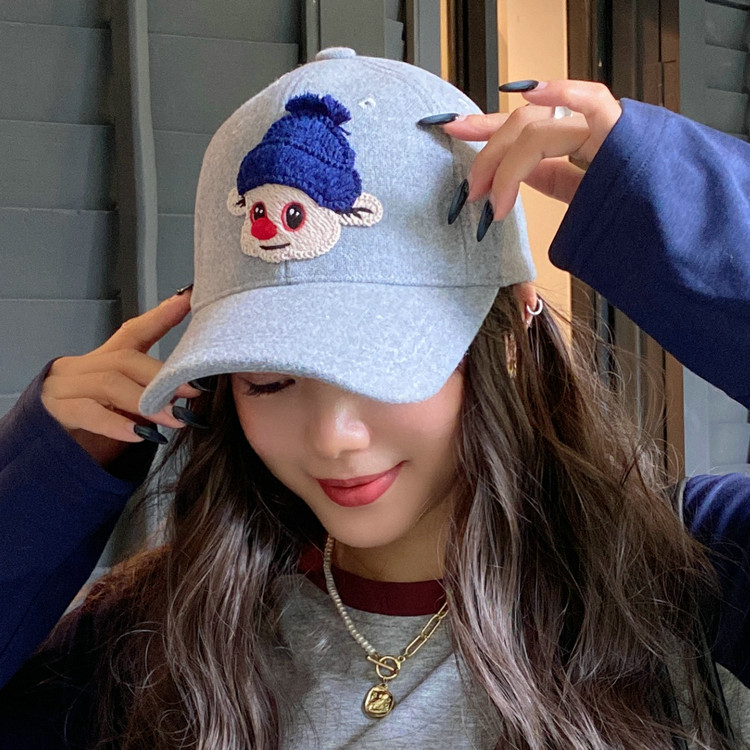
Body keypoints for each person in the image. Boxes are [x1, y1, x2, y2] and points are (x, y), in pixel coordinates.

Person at [0, 48, 748, 749]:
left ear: (507, 339)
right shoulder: (158, 636)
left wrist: (674, 199)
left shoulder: (686, 574)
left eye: (389, 365)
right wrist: (38, 485)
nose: (333, 436)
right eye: (269, 381)